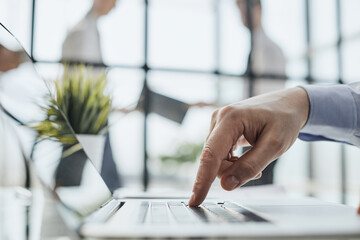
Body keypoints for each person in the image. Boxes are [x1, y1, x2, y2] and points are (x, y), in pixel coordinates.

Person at [188, 82, 360, 214]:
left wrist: (296, 103)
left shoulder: (269, 50)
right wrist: (300, 104)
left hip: (266, 131)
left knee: (251, 186)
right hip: (265, 126)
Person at [61, 0, 120, 192]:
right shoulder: (82, 32)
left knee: (77, 165)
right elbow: (81, 77)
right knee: (99, 168)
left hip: (88, 107)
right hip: (86, 108)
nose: (115, 6)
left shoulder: (87, 29)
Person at [236, 0, 287, 186]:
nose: (241, 18)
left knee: (255, 190)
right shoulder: (257, 47)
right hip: (253, 131)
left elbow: (267, 96)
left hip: (260, 131)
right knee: (252, 190)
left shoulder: (269, 49)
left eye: (242, 11)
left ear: (257, 10)